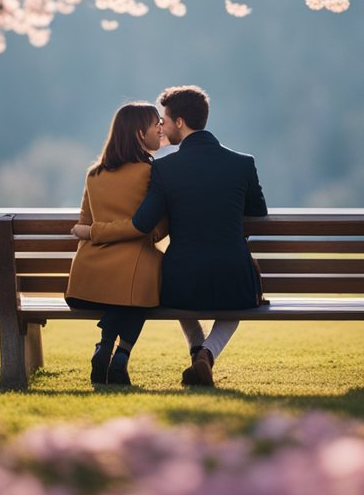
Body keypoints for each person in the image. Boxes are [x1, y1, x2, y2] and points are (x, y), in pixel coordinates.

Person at [80, 85, 267, 388]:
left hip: (181, 282)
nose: (162, 127)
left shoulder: (165, 168)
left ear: (179, 122)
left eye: (164, 120)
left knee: (170, 284)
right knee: (240, 304)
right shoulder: (242, 163)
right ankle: (206, 353)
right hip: (235, 279)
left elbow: (143, 222)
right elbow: (257, 211)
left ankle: (196, 348)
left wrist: (94, 231)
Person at [65, 102, 168, 386]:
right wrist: (138, 233)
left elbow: (84, 226)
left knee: (129, 288)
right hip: (133, 284)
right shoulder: (152, 173)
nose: (160, 129)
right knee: (144, 282)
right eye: (155, 124)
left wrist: (97, 232)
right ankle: (121, 353)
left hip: (86, 284)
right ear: (138, 133)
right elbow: (156, 230)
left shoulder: (94, 174)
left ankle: (104, 343)